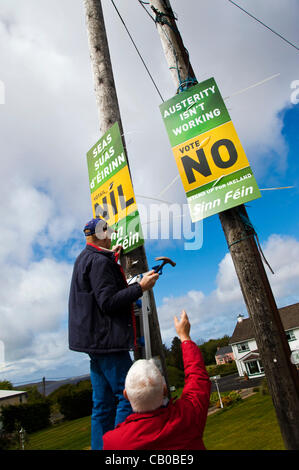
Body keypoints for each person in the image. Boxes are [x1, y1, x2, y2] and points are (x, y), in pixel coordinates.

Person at [68, 217, 159, 450]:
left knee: (102, 405)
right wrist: (141, 287)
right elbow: (107, 302)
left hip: (94, 342)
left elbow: (97, 290)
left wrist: (113, 257)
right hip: (107, 341)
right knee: (129, 395)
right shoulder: (99, 263)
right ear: (102, 235)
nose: (112, 237)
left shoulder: (85, 258)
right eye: (109, 233)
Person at [103, 310, 211, 450]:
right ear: (165, 390)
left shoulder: (114, 443)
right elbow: (198, 379)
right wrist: (184, 337)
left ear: (126, 395)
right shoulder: (187, 417)